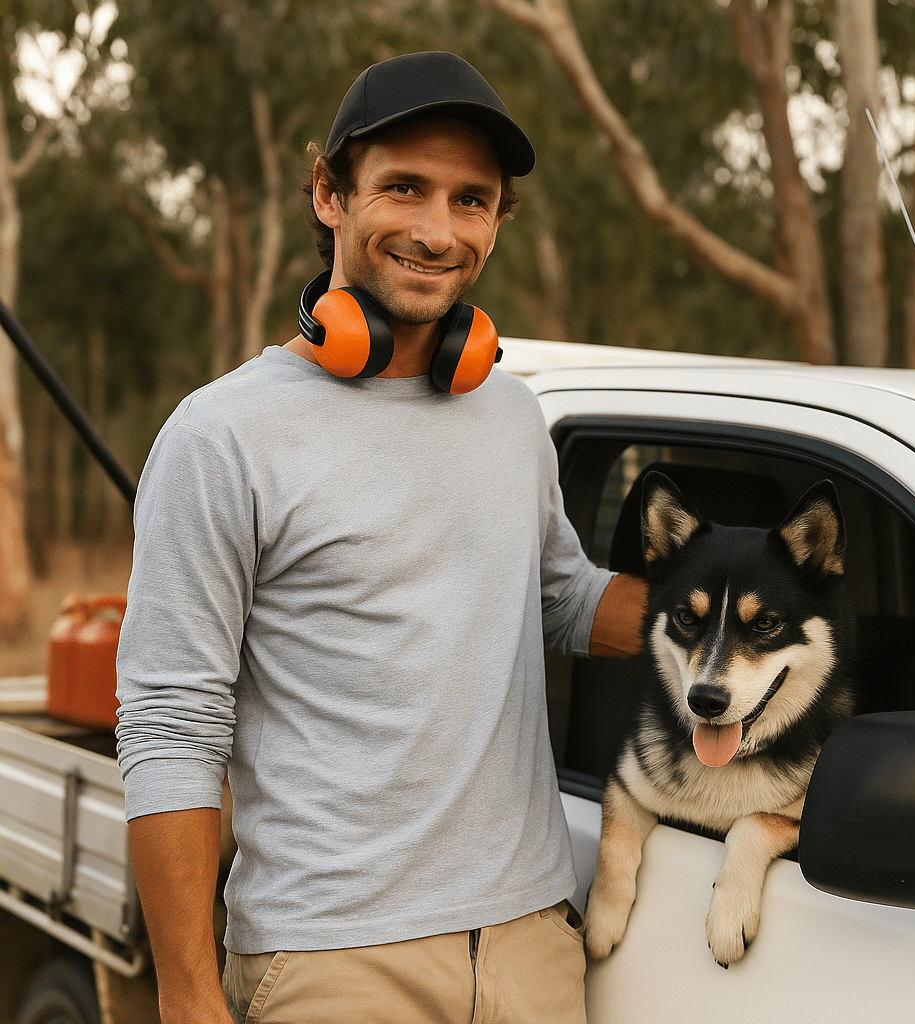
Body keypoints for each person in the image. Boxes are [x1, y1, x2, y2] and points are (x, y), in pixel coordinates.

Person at [115, 51, 646, 1024]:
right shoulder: (221, 435)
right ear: (329, 191)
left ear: (498, 220)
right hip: (331, 963)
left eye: (470, 200)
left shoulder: (509, 418)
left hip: (531, 948)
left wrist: (744, 619)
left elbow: (561, 596)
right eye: (404, 187)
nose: (437, 231)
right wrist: (187, 996)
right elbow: (170, 730)